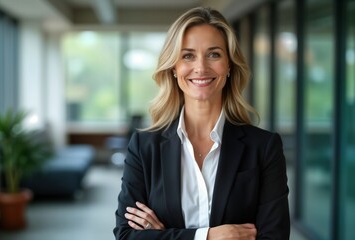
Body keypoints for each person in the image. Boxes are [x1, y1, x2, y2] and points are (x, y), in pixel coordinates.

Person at [113, 6, 290, 240]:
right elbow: (126, 236)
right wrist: (207, 237)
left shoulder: (264, 147)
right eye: (188, 55)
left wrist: (164, 235)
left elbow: (274, 237)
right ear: (174, 68)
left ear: (229, 66)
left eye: (214, 54)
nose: (201, 67)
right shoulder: (145, 147)